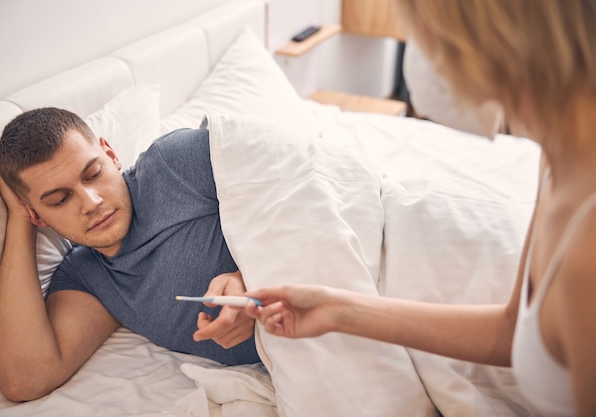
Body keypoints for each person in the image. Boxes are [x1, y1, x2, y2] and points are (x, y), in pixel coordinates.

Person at [244, 1, 596, 416]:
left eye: (424, 32)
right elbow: (511, 333)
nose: (420, 56)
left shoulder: (585, 248)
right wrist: (339, 309)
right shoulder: (558, 158)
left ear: (491, 36)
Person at [0, 107, 259, 402]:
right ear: (38, 216)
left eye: (93, 174)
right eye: (59, 199)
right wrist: (19, 221)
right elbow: (25, 380)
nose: (91, 202)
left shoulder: (173, 164)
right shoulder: (87, 277)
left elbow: (306, 190)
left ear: (111, 154)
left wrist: (254, 280)